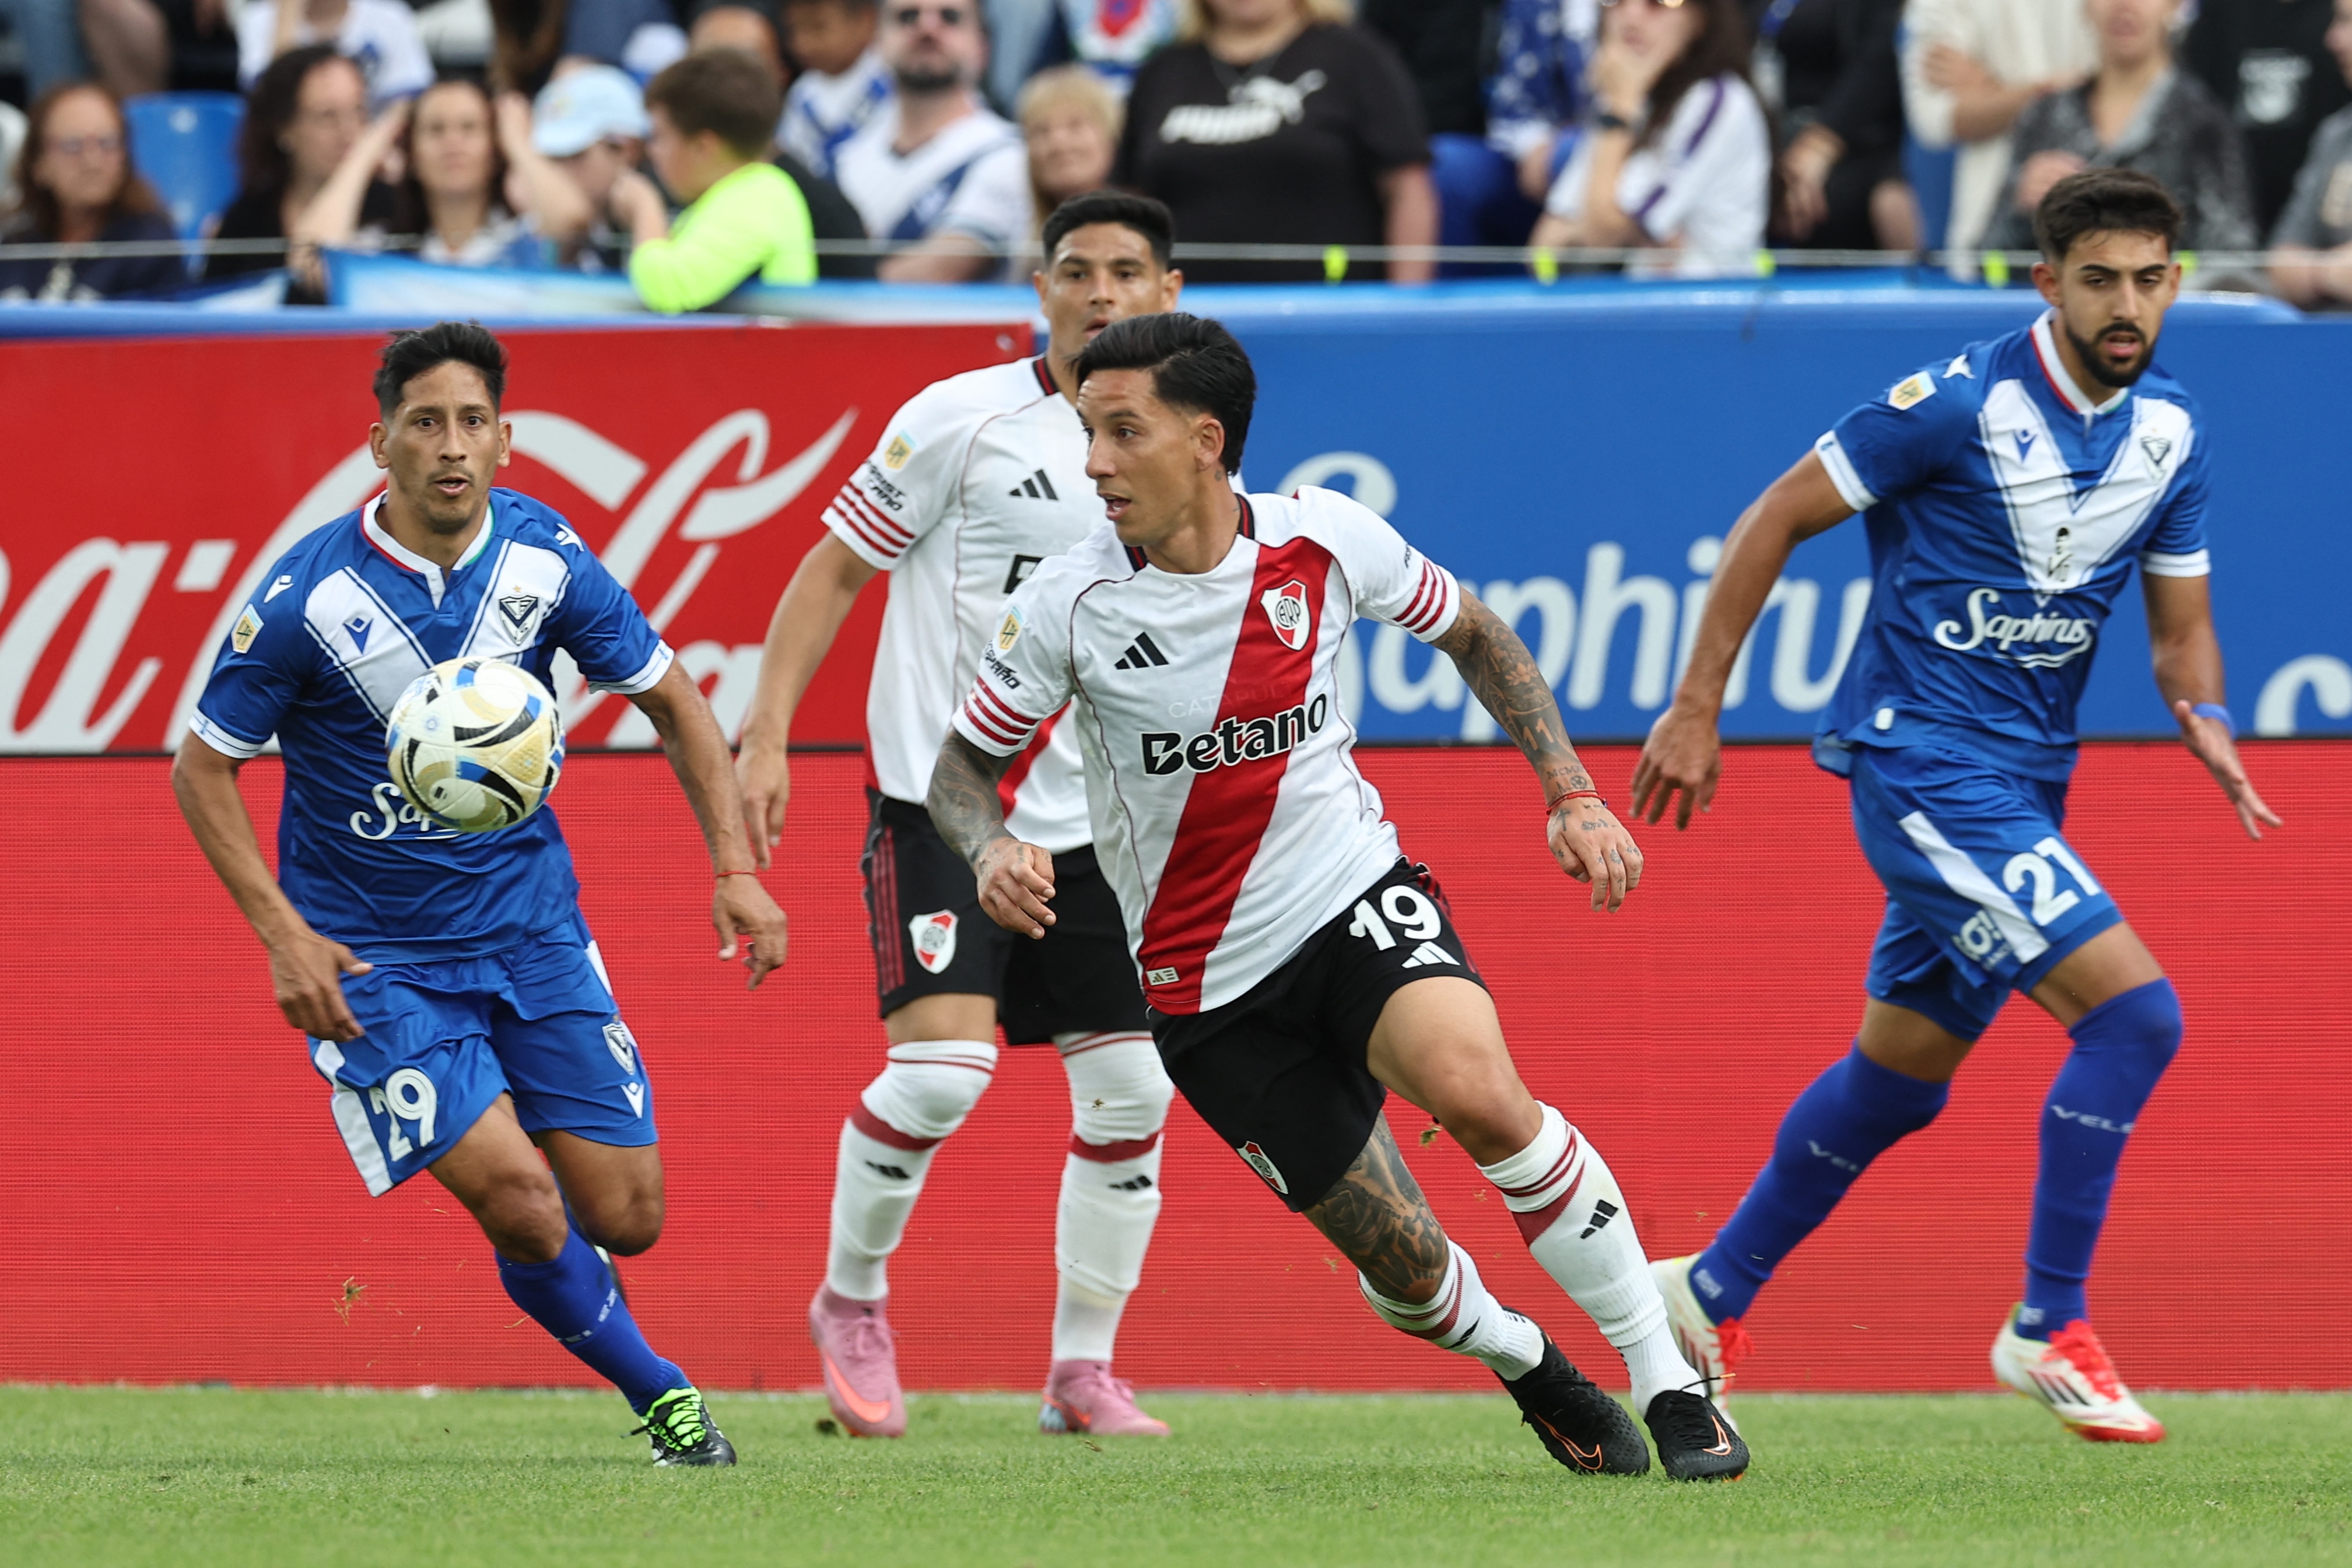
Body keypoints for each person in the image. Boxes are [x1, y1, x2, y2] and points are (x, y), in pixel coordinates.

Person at [927, 309, 1747, 1481]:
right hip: (1203, 987)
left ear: (1205, 440)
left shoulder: (1323, 542)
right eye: (1084, 433)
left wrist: (1569, 792)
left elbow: (1477, 634)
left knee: (1482, 1098)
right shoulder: (1068, 602)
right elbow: (958, 772)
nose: (1093, 462)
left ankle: (1668, 1381)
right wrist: (992, 840)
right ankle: (1531, 1365)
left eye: (1121, 432)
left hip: (1352, 897)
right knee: (1404, 1270)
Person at [1631, 170, 2279, 1446]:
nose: (2128, 303)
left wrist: (2203, 715)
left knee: (1901, 1075)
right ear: (2046, 283)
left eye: (2151, 277)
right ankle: (2048, 1321)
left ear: (2176, 282)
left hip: (2024, 780)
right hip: (1922, 763)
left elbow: (2183, 627)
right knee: (2137, 1019)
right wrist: (1696, 707)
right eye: (2100, 278)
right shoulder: (1958, 402)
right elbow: (1775, 514)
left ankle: (1705, 1293)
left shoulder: (2173, 435)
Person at [173, 322, 790, 1465]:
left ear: (506, 441)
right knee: (518, 1194)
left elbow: (674, 699)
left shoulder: (548, 562)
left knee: (626, 1217)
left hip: (531, 934)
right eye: (424, 423)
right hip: (373, 962)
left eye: (471, 422)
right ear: (381, 443)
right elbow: (202, 764)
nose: (449, 446)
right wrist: (283, 935)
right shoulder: (307, 597)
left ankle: (554, 1223)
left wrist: (736, 871)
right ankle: (667, 1402)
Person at [734, 192, 1186, 1441]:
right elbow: (832, 570)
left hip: (1097, 827)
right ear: (1038, 288)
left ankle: (1080, 1371)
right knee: (940, 1075)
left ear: (1169, 290)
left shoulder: (1188, 446)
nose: (1100, 294)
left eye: (1126, 273)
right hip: (944, 800)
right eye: (1077, 271)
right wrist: (766, 732)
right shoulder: (958, 420)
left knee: (1133, 1093)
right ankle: (852, 1301)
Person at [1114, 0, 1437, 283]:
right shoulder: (1162, 72)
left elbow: (1407, 187)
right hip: (1184, 324)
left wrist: (1403, 307)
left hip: (1327, 310)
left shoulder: (1356, 57)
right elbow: (1130, 202)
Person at [1983, 0, 2256, 256]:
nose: (2124, 6)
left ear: (2174, 6)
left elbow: (2232, 263)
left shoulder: (2204, 124)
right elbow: (1987, 255)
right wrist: (2021, 210)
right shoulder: (2046, 116)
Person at [1529, 0, 1769, 278]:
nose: (1631, 17)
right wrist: (1627, 238)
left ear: (1700, 19)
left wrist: (1618, 115)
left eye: (1658, 3)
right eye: (1615, 1)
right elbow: (1543, 245)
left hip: (1710, 311)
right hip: (1629, 307)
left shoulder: (1720, 102)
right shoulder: (1627, 100)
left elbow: (1601, 233)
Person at [300, 78, 594, 276]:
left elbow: (572, 220)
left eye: (470, 128)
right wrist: (371, 144)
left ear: (495, 150)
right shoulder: (384, 252)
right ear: (411, 155)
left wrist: (518, 143)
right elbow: (309, 258)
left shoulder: (525, 242)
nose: (453, 142)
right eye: (435, 129)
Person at [832, 0, 1031, 281]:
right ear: (876, 43)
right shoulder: (845, 160)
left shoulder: (1011, 154)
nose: (927, 28)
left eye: (950, 17)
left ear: (982, 46)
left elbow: (942, 270)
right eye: (907, 16)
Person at [614, 46, 819, 308]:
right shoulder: (743, 193)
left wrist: (644, 208)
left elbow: (669, 288)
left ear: (703, 147)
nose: (652, 152)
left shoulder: (759, 197)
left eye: (660, 137)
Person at [1899, 0, 2098, 264]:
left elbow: (2134, 77)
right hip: (1990, 241)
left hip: (2106, 229)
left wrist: (1989, 90)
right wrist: (2061, 89)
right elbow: (1935, 122)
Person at [211, 46, 390, 303]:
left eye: (359, 111)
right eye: (327, 116)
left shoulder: (394, 208)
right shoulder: (245, 220)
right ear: (285, 128)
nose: (349, 132)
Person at [1750, 0, 1916, 250]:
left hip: (1857, 137)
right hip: (1760, 134)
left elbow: (1879, 59)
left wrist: (1821, 143)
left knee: (1888, 202)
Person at [0, 82, 184, 301]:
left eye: (107, 143)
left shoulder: (150, 245)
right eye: (73, 145)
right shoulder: (15, 243)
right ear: (38, 164)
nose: (93, 161)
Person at [2186, 0, 2352, 235]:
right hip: (2231, 209)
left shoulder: (2331, 11)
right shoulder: (2219, 14)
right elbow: (2196, 108)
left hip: (2310, 195)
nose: (2334, 40)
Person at [530, 61, 651, 272]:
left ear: (627, 149)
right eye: (552, 158)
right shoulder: (536, 225)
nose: (559, 171)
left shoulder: (671, 222)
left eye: (575, 154)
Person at [2270, 0, 2352, 308]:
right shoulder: (2336, 136)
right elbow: (2279, 261)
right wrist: (2332, 273)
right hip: (2328, 343)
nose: (2333, 39)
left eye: (2347, 21)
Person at [238, 0, 436, 107]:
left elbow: (407, 106)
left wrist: (368, 155)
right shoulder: (260, 20)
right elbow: (270, 105)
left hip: (377, 152)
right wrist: (287, 10)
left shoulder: (391, 16)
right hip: (293, 160)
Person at [779, 0, 889, 176]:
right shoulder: (801, 95)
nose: (803, 42)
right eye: (794, 29)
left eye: (818, 27)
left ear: (866, 22)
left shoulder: (891, 79)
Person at [1018, 65, 1119, 250]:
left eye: (1076, 126)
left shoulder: (1147, 235)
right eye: (1042, 131)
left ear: (1112, 136)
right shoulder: (1017, 240)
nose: (1058, 143)